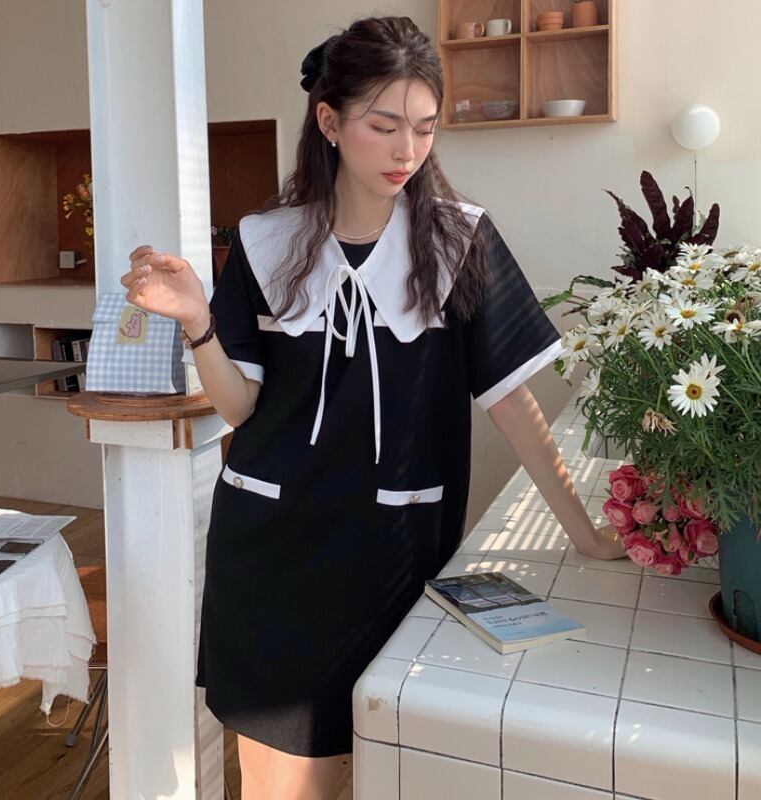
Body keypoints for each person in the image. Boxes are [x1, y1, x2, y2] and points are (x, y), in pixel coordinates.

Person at [120, 15, 626, 800]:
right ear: (329, 122)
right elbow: (241, 409)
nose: (406, 150)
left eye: (424, 127)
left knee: (399, 770)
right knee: (285, 786)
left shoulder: (458, 240)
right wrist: (198, 322)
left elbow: (510, 399)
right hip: (271, 552)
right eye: (383, 126)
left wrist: (584, 531)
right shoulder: (264, 241)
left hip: (394, 550)